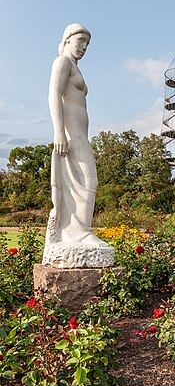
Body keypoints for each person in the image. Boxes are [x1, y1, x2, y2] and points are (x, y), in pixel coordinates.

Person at [44, 23, 104, 248]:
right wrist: (59, 131)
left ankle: (76, 232)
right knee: (89, 180)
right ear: (68, 40)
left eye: (87, 44)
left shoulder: (76, 68)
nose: (84, 47)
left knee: (84, 181)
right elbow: (54, 94)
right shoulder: (62, 62)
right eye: (80, 42)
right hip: (71, 133)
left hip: (81, 133)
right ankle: (81, 233)